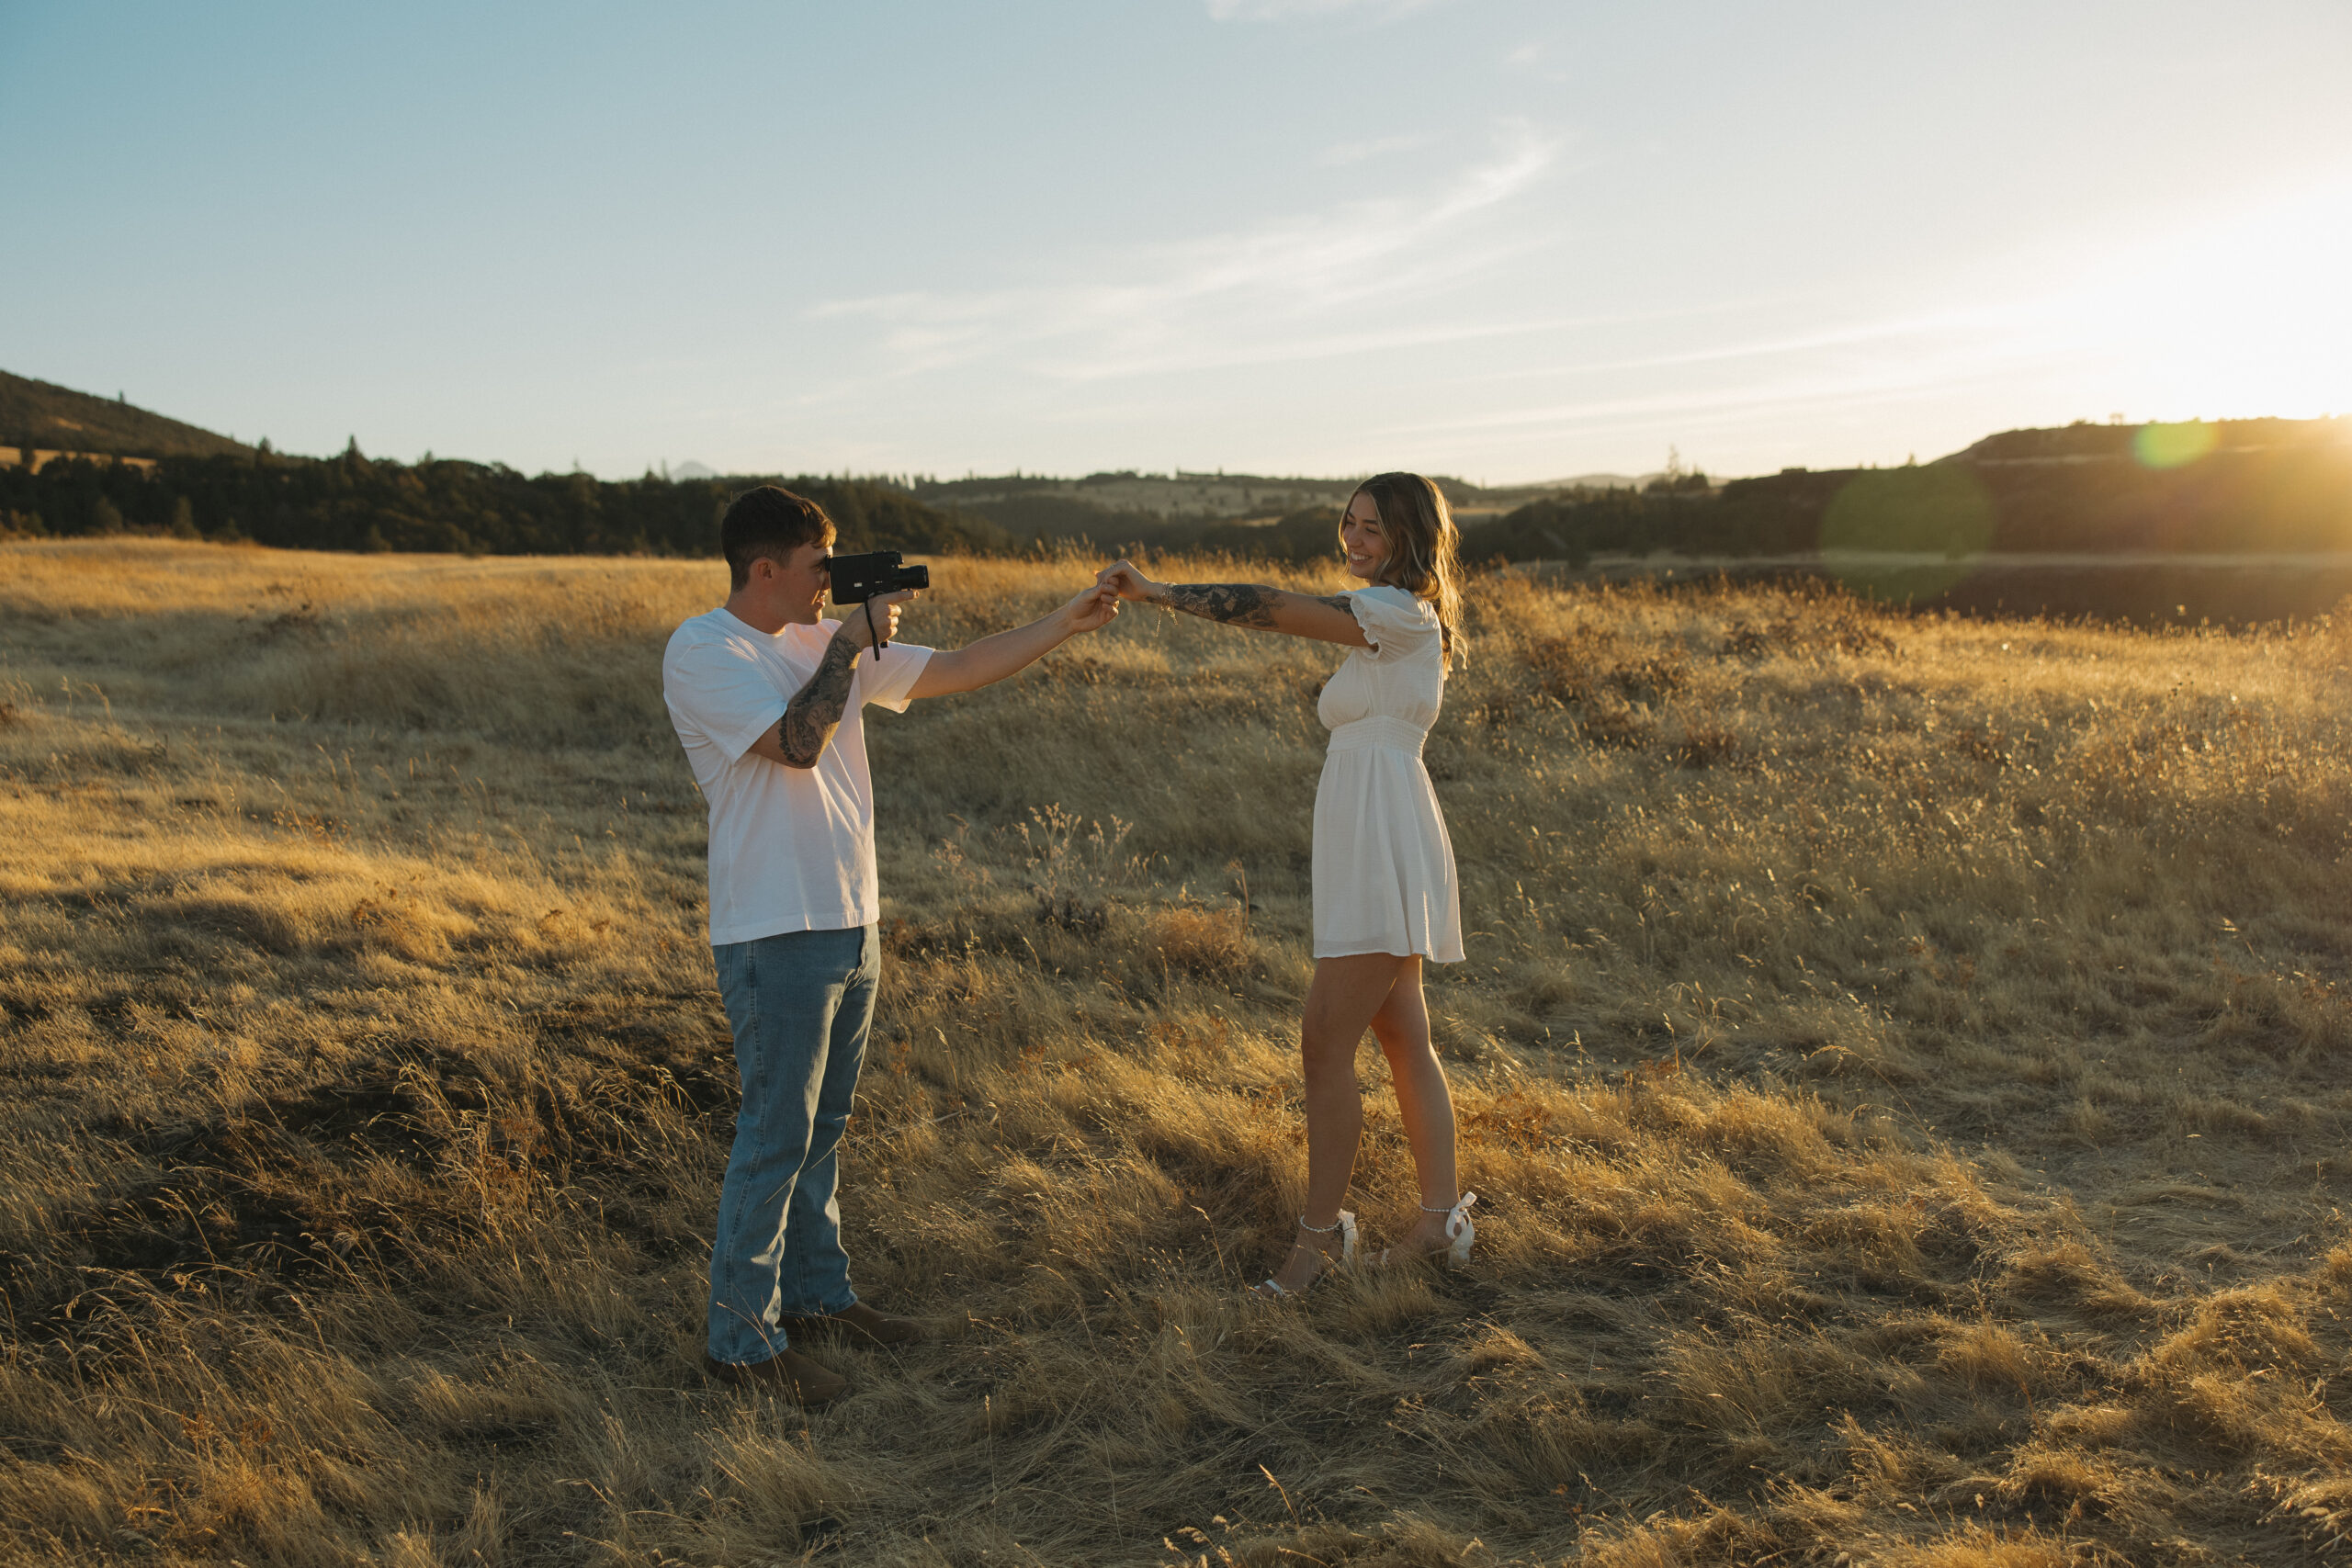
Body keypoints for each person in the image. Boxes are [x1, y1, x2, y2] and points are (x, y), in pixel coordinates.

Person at [663, 485, 1119, 1404]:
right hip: (773, 927)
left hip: (847, 919)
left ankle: (819, 1300)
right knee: (773, 1136)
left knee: (821, 1131)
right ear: (764, 569)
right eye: (815, 566)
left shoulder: (821, 642)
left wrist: (1061, 624)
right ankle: (741, 1348)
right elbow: (797, 741)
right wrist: (847, 641)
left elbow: (956, 666)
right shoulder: (705, 650)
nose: (829, 581)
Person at [1095, 471, 1475, 1297]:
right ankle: (1441, 1224)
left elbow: (1268, 606)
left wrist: (1157, 592)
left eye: (1373, 527)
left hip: (1380, 832)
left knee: (1323, 1043)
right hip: (1375, 824)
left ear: (1412, 534)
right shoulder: (1389, 617)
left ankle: (1317, 1242)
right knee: (1405, 1036)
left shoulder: (1397, 614)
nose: (1355, 539)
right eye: (1350, 523)